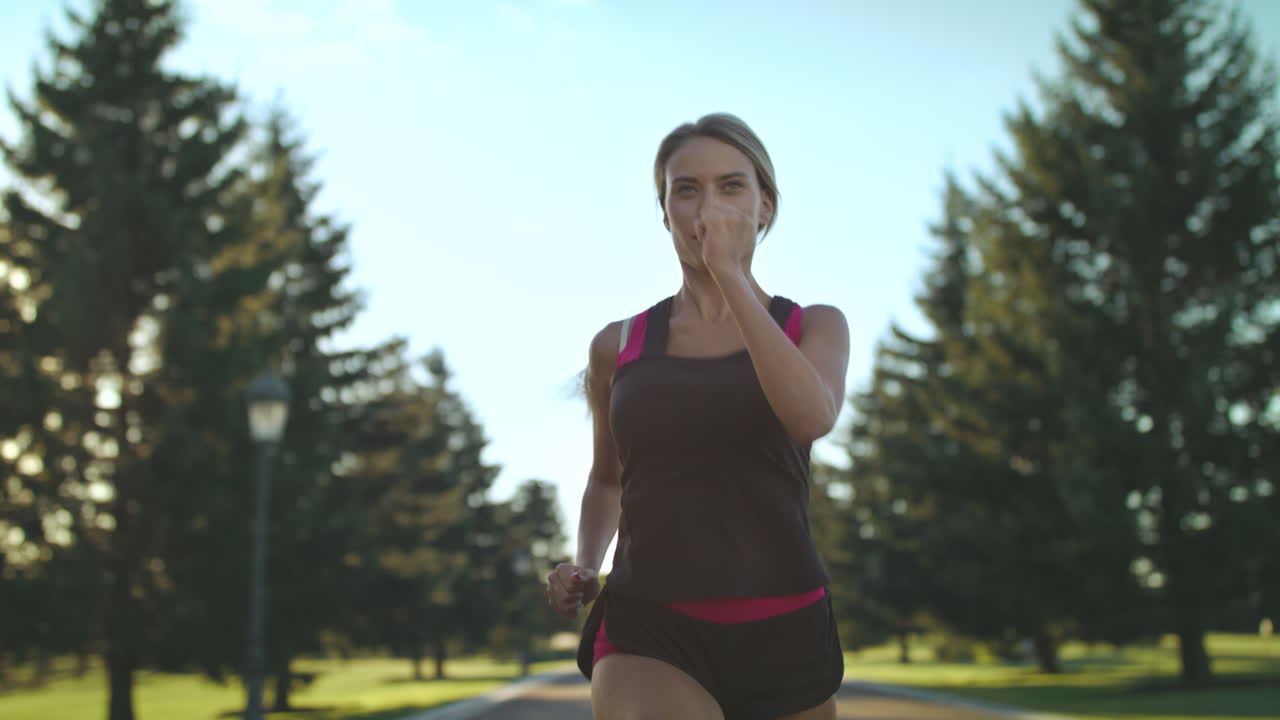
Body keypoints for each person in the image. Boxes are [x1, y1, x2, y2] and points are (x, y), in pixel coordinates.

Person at [544, 112, 850, 720]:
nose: (706, 207)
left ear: (765, 207)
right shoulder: (618, 344)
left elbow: (810, 418)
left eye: (731, 186)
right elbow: (608, 478)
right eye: (686, 189)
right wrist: (585, 562)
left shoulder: (813, 326)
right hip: (649, 625)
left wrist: (730, 275)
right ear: (664, 213)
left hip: (786, 626)